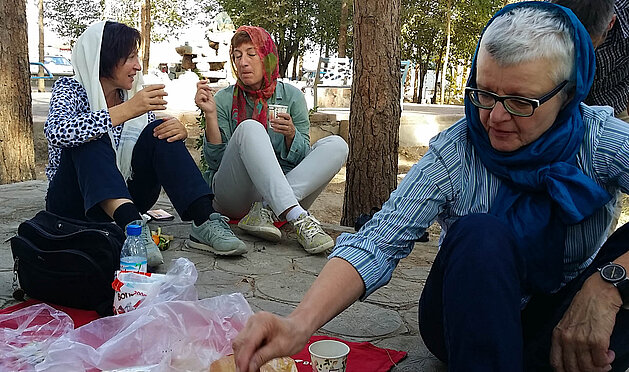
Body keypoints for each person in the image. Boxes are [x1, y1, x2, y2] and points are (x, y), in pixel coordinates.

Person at [231, 3, 629, 372]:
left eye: (521, 102)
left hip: (562, 317)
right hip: (464, 318)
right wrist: (298, 323)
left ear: (568, 93)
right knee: (481, 234)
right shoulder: (457, 150)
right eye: (484, 94)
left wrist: (607, 284)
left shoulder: (600, 141)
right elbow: (378, 242)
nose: (495, 118)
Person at [44, 21, 247, 266]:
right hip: (74, 201)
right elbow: (56, 131)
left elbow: (150, 139)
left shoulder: (131, 96)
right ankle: (133, 231)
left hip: (128, 197)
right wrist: (125, 110)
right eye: (130, 58)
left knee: (159, 130)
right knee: (90, 137)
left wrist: (176, 131)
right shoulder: (70, 89)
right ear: (105, 58)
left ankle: (204, 221)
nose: (137, 66)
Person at [194, 26, 348, 254]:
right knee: (250, 128)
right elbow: (216, 161)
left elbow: (302, 159)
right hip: (235, 196)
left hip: (280, 193)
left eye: (251, 54)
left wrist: (291, 136)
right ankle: (297, 216)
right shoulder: (225, 99)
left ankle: (265, 211)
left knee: (337, 145)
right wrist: (210, 115)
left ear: (267, 57)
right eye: (237, 56)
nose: (243, 62)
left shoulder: (292, 96)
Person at [553, 0, 629, 122]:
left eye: (589, 46)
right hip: (561, 106)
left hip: (614, 104)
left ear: (611, 23)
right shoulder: (545, 16)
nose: (583, 56)